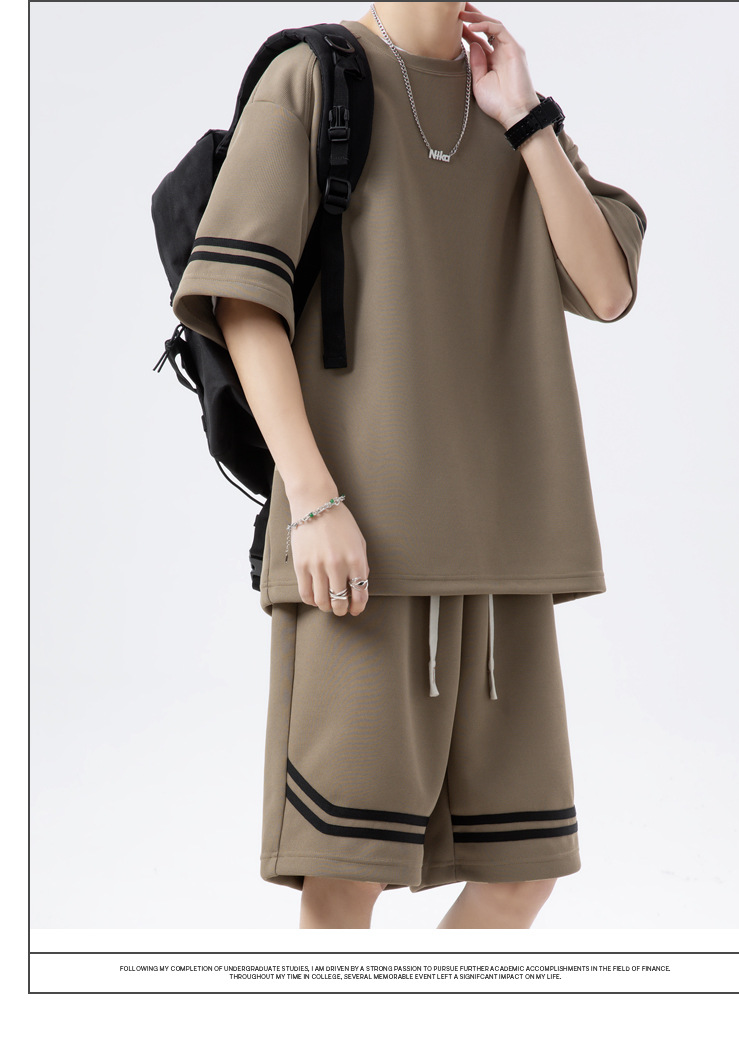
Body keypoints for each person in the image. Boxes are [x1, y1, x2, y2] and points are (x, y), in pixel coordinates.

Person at [171, 1, 646, 928]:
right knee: (343, 877)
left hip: (503, 564)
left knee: (522, 874)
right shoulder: (313, 77)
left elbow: (608, 288)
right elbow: (243, 300)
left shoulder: (511, 106)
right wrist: (312, 500)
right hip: (361, 558)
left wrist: (528, 120)